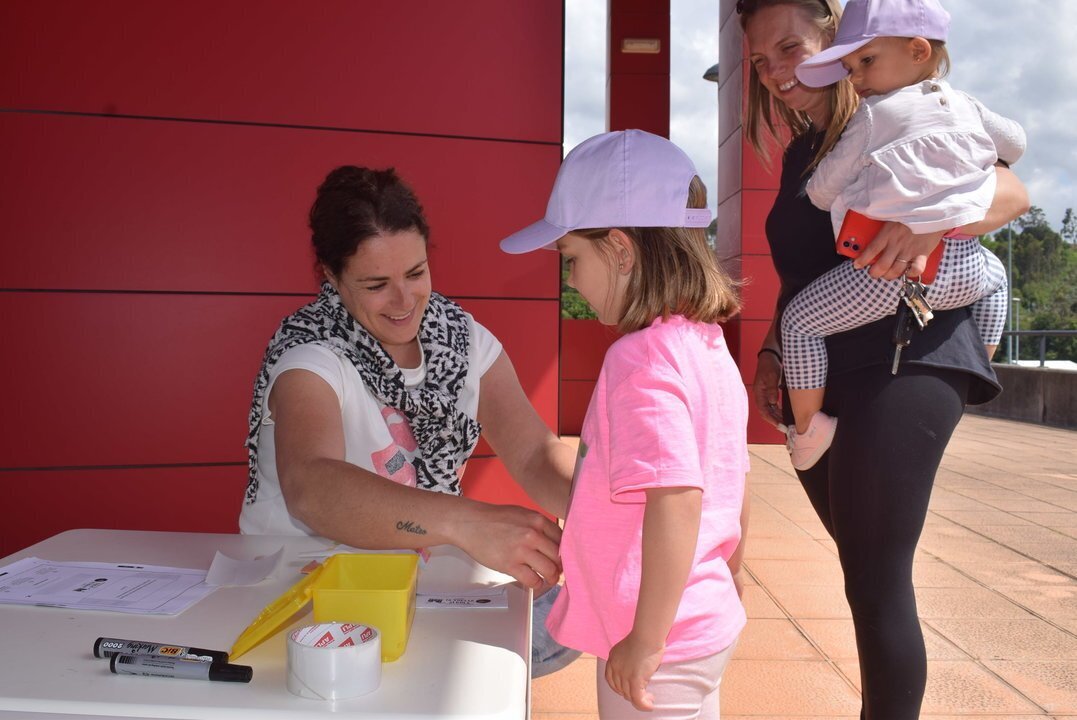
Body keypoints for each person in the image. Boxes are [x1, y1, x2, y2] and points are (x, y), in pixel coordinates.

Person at [738, 0, 1029, 718]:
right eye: (758, 61)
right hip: (829, 365)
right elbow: (808, 271)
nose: (775, 73)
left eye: (789, 48)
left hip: (908, 347)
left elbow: (1014, 189)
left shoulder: (904, 109)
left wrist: (927, 224)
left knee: (875, 576)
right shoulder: (808, 150)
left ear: (837, 41)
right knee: (863, 568)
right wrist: (778, 343)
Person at [239, 164, 580, 677]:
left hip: (417, 589)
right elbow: (311, 484)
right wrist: (464, 521)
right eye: (376, 284)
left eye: (416, 273)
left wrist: (607, 508)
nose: (404, 302)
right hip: (301, 599)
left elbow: (534, 453)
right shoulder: (310, 353)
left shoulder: (460, 340)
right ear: (331, 277)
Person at [501, 129, 749, 719]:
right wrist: (734, 576)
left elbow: (678, 497)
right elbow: (734, 480)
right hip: (697, 617)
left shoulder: (639, 359)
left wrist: (646, 640)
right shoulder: (707, 347)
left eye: (572, 260)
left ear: (619, 249)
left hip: (653, 632)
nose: (570, 281)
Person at [774, 0, 1026, 469]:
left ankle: (808, 430)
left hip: (888, 274)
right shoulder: (966, 103)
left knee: (801, 322)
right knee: (998, 275)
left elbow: (824, 192)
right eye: (850, 67)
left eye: (865, 61)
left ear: (917, 50)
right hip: (966, 263)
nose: (856, 77)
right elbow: (1015, 144)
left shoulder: (871, 117)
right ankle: (984, 362)